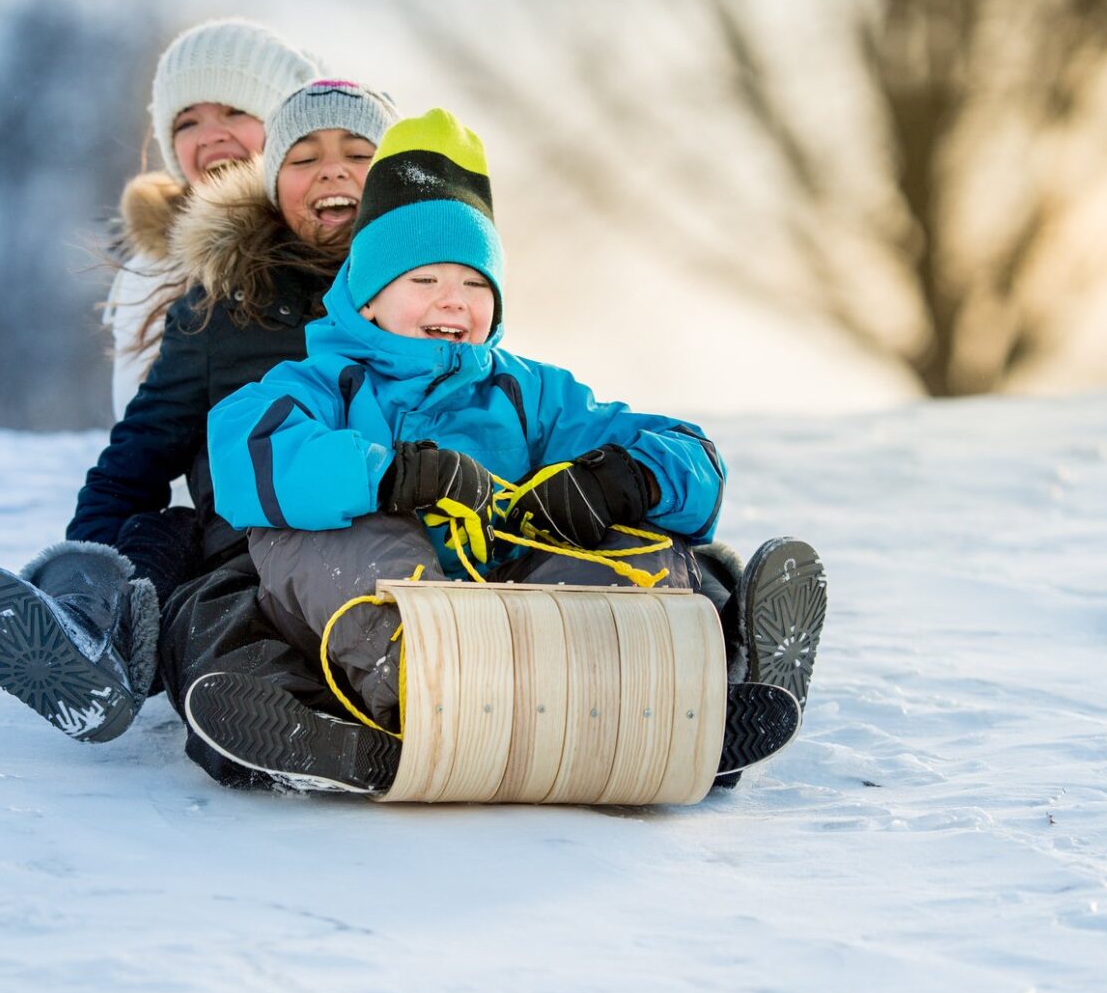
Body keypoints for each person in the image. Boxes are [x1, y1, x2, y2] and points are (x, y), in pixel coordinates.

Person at [185, 108, 829, 793]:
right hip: (390, 640)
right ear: (369, 298)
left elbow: (690, 453)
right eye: (424, 280)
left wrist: (625, 480)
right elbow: (244, 450)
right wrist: (388, 475)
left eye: (474, 283)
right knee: (318, 537)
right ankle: (403, 710)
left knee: (645, 546)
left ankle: (670, 700)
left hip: (528, 629)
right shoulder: (321, 383)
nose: (454, 301)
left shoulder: (528, 392)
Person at [0, 74, 402, 754]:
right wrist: (90, 558)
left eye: (358, 153)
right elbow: (138, 452)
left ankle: (368, 716)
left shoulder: (430, 293)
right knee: (167, 556)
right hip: (240, 547)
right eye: (303, 158)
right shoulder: (221, 305)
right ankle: (91, 632)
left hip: (384, 532)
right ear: (271, 181)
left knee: (346, 599)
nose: (332, 168)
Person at [107, 18, 324, 418]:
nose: (209, 136)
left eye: (235, 111)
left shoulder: (342, 248)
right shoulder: (153, 269)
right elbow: (144, 427)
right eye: (187, 122)